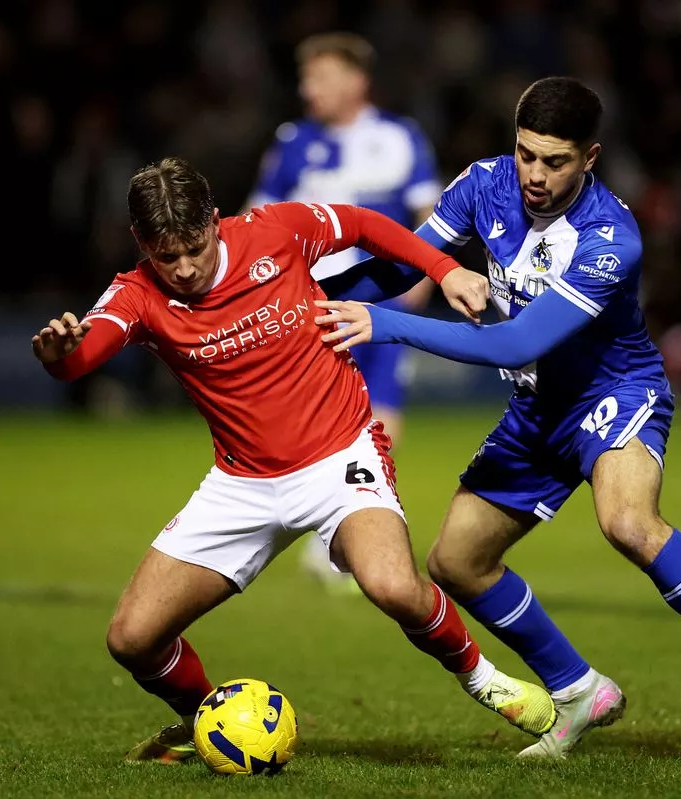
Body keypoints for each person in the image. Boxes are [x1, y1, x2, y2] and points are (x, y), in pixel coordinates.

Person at [315, 77, 681, 757]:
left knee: (627, 521)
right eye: (526, 154)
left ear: (590, 158)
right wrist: (305, 300)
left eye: (555, 161)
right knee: (457, 562)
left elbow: (515, 341)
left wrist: (388, 326)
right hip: (537, 408)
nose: (535, 174)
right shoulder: (482, 185)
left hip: (612, 391)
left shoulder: (611, 238)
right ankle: (578, 689)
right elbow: (401, 266)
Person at [32, 158, 555, 763]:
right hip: (242, 482)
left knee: (391, 585)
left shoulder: (275, 231)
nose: (183, 268)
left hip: (339, 453)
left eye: (193, 248)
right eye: (164, 255)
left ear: (214, 223)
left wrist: (441, 268)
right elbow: (82, 353)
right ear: (141, 244)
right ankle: (206, 719)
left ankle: (483, 679)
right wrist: (60, 356)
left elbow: (362, 224)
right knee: (132, 638)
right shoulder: (137, 293)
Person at [247, 32, 440, 588]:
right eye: (307, 79)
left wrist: (426, 268)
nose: (310, 89)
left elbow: (431, 207)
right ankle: (330, 529)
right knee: (309, 416)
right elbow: (256, 216)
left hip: (379, 295)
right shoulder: (292, 141)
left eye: (323, 77)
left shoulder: (400, 138)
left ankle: (351, 531)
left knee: (384, 418)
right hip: (308, 301)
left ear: (357, 81)